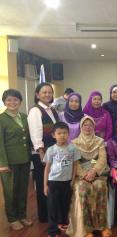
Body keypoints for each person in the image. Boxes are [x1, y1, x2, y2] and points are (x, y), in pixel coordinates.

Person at [67, 116, 111, 237]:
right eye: (85, 125)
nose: (87, 127)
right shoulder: (74, 143)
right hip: (80, 176)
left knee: (100, 187)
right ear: (81, 127)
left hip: (97, 174)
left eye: (90, 125)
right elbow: (75, 162)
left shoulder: (99, 141)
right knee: (83, 190)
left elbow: (102, 159)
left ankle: (101, 226)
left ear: (94, 127)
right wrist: (84, 175)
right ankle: (87, 229)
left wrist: (94, 172)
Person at [0, 89, 32, 230]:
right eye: (9, 100)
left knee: (22, 189)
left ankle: (22, 215)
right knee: (10, 190)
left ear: (20, 101)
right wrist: (2, 163)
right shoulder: (1, 119)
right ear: (4, 102)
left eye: (15, 100)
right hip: (9, 162)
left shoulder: (24, 117)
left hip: (24, 159)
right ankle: (12, 218)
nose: (12, 102)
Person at [28, 82, 59, 223]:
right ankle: (44, 216)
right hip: (42, 153)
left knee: (52, 183)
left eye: (49, 92)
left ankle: (53, 212)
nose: (47, 94)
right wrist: (41, 153)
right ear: (37, 94)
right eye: (44, 92)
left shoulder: (51, 110)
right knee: (43, 184)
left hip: (53, 152)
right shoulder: (35, 111)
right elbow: (36, 134)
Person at [43, 122, 80, 237]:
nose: (62, 135)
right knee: (52, 206)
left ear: (68, 134)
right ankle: (53, 231)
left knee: (65, 204)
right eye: (59, 133)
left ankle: (63, 223)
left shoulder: (73, 148)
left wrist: (73, 179)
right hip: (53, 182)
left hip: (67, 182)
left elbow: (75, 165)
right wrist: (45, 185)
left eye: (64, 133)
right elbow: (47, 168)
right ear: (54, 135)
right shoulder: (51, 150)